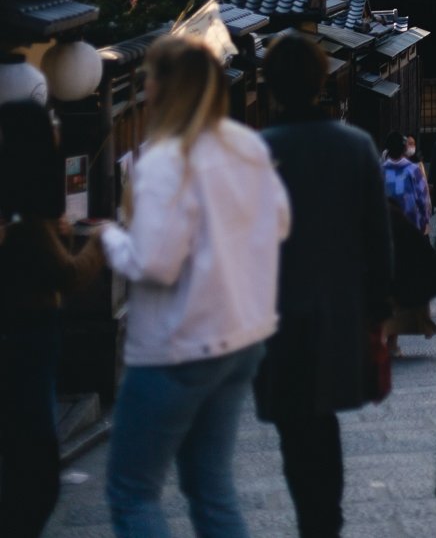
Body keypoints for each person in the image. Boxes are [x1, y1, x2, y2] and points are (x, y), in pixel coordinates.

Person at [100, 35, 290, 538]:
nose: (148, 88)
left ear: (165, 88)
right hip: (241, 334)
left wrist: (110, 240)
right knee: (211, 486)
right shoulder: (247, 145)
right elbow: (280, 222)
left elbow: (156, 264)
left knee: (132, 490)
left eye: (150, 80)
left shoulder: (166, 161)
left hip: (177, 343)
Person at [254, 34, 392, 538]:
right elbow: (379, 240)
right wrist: (378, 311)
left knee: (296, 428)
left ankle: (312, 522)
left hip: (274, 316)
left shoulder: (257, 154)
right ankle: (326, 522)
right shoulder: (355, 147)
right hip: (339, 310)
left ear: (269, 86)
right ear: (320, 81)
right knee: (324, 419)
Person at [0, 100, 105, 538]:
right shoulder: (25, 219)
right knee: (36, 464)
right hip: (26, 335)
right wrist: (98, 244)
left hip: (25, 335)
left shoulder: (22, 207)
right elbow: (66, 274)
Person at [381, 129, 436, 357]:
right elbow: (424, 201)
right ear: (404, 148)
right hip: (409, 233)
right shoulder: (413, 170)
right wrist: (424, 223)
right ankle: (401, 334)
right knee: (408, 284)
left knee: (389, 289)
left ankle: (390, 339)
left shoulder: (380, 171)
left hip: (386, 236)